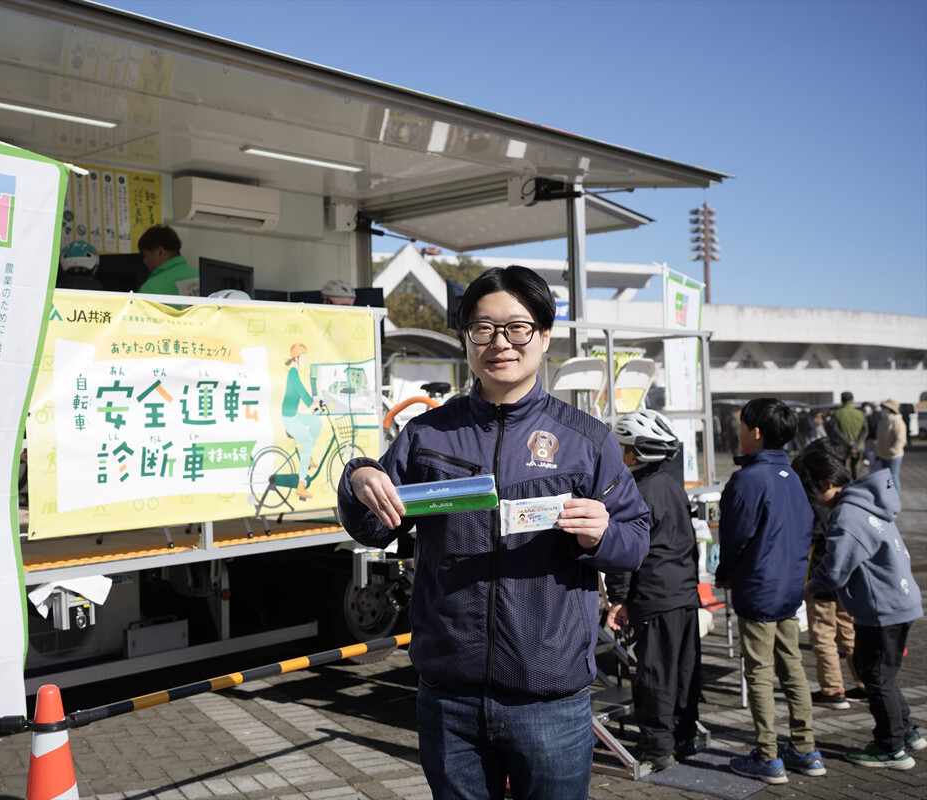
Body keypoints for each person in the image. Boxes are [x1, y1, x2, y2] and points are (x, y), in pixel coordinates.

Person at [337, 265, 650, 799]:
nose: (499, 342)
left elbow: (635, 540)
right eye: (483, 329)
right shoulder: (429, 434)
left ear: (545, 335)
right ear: (467, 339)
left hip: (550, 696)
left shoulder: (585, 441)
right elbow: (371, 526)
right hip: (449, 695)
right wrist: (358, 477)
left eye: (517, 328)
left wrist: (602, 534)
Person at [793, 449, 923, 769]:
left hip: (882, 608)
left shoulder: (847, 514)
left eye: (807, 491)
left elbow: (835, 568)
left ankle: (890, 747)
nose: (808, 500)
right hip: (898, 601)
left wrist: (809, 589)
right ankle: (905, 730)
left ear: (824, 484)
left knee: (875, 677)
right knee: (881, 674)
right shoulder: (867, 501)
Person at [715, 397, 822, 785]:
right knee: (792, 667)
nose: (738, 431)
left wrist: (724, 572)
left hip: (758, 590)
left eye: (742, 425)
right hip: (789, 589)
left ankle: (767, 754)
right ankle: (806, 748)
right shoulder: (792, 477)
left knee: (758, 672)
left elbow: (734, 538)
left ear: (755, 433)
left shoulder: (746, 480)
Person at [604, 410, 701, 771]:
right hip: (685, 595)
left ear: (633, 455)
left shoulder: (632, 494)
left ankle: (658, 748)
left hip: (654, 595)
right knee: (684, 670)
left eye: (619, 446)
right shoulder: (672, 486)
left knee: (655, 674)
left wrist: (618, 599)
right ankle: (684, 736)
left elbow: (624, 554)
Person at [798, 438, 864, 711]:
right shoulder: (848, 494)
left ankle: (832, 689)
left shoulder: (814, 495)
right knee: (849, 631)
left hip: (820, 573)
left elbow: (808, 534)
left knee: (823, 634)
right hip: (847, 575)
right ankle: (865, 683)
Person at [282, 344, 324, 501]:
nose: (305, 360)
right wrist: (311, 404)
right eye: (303, 357)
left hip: (293, 414)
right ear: (296, 358)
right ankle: (301, 485)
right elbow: (300, 390)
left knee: (316, 423)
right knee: (306, 443)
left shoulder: (294, 371)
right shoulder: (293, 372)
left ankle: (309, 458)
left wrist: (314, 405)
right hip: (289, 417)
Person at [136, 224, 199, 297]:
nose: (144, 261)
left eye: (145, 255)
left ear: (160, 253)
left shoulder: (150, 289)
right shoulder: (201, 277)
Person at [874, 399, 907, 495]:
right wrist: (878, 452)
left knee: (893, 476)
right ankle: (889, 497)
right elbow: (879, 439)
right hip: (882, 454)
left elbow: (901, 439)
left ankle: (896, 499)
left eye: (885, 408)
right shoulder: (882, 421)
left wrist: (893, 450)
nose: (883, 410)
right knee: (886, 478)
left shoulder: (897, 421)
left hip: (894, 456)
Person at [834, 392, 868, 478]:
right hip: (858, 447)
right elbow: (865, 430)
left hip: (844, 447)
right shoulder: (860, 413)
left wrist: (849, 443)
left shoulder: (837, 413)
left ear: (842, 400)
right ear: (852, 401)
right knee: (857, 472)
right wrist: (856, 444)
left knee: (846, 471)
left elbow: (836, 431)